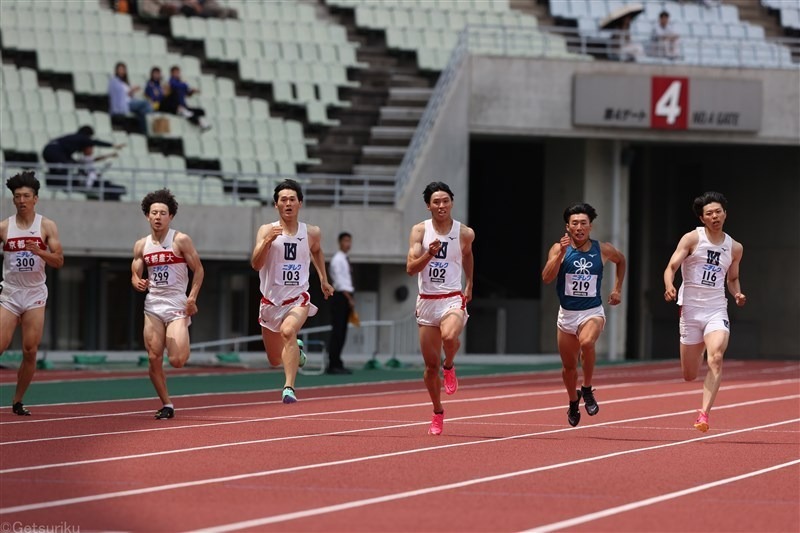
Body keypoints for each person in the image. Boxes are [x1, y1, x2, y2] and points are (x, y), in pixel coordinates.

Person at [663, 191, 745, 433]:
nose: (715, 216)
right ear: (702, 218)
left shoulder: (735, 247)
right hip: (690, 310)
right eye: (709, 213)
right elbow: (671, 266)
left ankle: (704, 414)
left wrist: (737, 293)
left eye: (718, 211)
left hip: (716, 309)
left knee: (717, 358)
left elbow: (733, 278)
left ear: (725, 214)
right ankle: (698, 350)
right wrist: (669, 285)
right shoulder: (692, 239)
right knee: (689, 374)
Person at [541, 203, 626, 428]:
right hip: (567, 315)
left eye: (584, 223)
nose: (579, 227)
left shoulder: (603, 249)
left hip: (592, 311)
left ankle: (587, 389)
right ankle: (572, 401)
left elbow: (621, 261)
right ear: (567, 227)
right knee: (569, 368)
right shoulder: (558, 249)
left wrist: (617, 289)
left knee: (587, 342)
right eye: (575, 223)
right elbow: (547, 278)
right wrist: (559, 253)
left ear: (590, 226)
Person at [251, 179, 334, 403]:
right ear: (276, 204)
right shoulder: (266, 230)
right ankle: (297, 353)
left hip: (298, 299)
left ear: (300, 203)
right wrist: (267, 241)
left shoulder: (312, 232)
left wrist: (323, 280)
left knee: (288, 331)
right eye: (283, 200)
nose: (288, 204)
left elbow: (317, 251)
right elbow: (256, 264)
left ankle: (289, 387)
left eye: (292, 199)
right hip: (270, 303)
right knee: (274, 359)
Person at [406, 181, 475, 436]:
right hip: (427, 301)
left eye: (445, 200)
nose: (441, 205)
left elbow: (467, 255)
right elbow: (411, 268)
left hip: (452, 298)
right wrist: (429, 255)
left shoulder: (464, 233)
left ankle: (451, 365)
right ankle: (437, 411)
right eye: (436, 201)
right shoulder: (419, 232)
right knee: (429, 367)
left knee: (449, 336)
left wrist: (469, 284)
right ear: (428, 206)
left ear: (452, 202)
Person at [131, 189, 204, 420]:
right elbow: (135, 271)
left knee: (177, 360)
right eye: (154, 213)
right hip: (153, 304)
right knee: (153, 358)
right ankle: (167, 404)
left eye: (163, 213)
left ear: (170, 216)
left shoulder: (180, 240)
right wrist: (136, 281)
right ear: (147, 216)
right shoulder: (141, 245)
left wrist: (192, 298)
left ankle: (182, 336)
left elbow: (199, 270)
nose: (158, 217)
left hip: (176, 304)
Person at [0, 171, 64, 416]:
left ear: (35, 199)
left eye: (26, 196)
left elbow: (59, 260)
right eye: (17, 196)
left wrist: (40, 252)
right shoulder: (5, 227)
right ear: (13, 200)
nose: (22, 200)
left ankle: (17, 401)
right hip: (11, 293)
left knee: (30, 349)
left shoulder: (46, 226)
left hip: (35, 293)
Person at [42, 126, 124, 190]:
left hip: (47, 150)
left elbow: (70, 158)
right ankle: (63, 186)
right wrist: (113, 145)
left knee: (62, 167)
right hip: (55, 151)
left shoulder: (73, 139)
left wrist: (75, 162)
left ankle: (57, 184)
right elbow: (95, 142)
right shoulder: (82, 137)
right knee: (65, 167)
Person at [327, 231, 354, 375]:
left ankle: (338, 361)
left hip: (346, 295)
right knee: (337, 331)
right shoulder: (337, 259)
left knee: (342, 331)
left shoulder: (345, 258)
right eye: (345, 241)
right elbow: (338, 282)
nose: (348, 244)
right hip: (340, 296)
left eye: (349, 241)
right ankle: (333, 363)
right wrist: (348, 298)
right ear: (340, 242)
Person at [108, 61, 153, 135]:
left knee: (142, 112)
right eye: (120, 69)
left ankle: (144, 131)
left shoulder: (125, 82)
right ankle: (150, 122)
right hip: (124, 104)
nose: (122, 71)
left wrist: (131, 92)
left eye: (123, 69)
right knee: (146, 104)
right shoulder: (114, 81)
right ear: (116, 70)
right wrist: (131, 90)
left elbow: (127, 94)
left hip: (129, 101)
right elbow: (118, 94)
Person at [166, 65, 211, 131]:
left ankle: (202, 124)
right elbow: (176, 86)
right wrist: (185, 84)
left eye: (178, 72)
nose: (177, 74)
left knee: (201, 111)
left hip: (184, 105)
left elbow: (187, 93)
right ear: (172, 73)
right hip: (177, 107)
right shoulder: (171, 82)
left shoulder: (180, 83)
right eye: (175, 73)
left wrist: (192, 91)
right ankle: (201, 124)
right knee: (188, 113)